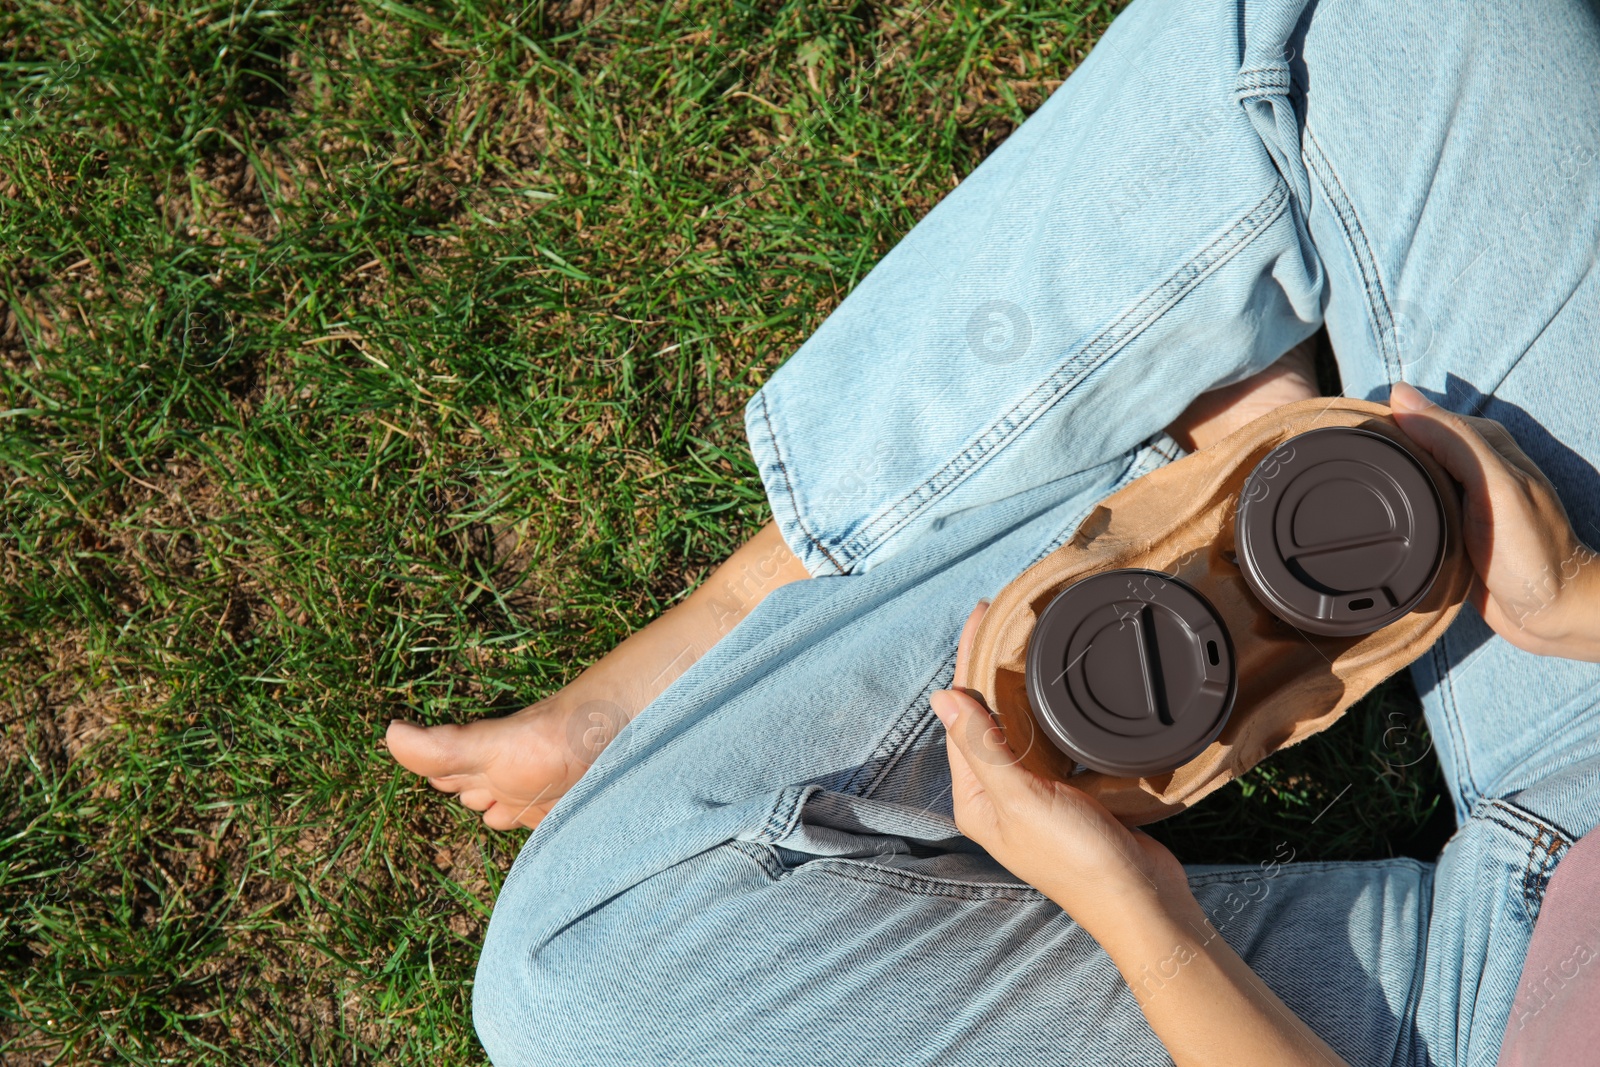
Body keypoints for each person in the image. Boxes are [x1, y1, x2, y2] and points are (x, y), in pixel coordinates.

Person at [386, 0, 1600, 1062]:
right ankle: (1198, 469)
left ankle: (808, 598)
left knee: (584, 980)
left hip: (1434, 1031)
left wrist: (1142, 924)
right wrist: (1576, 597)